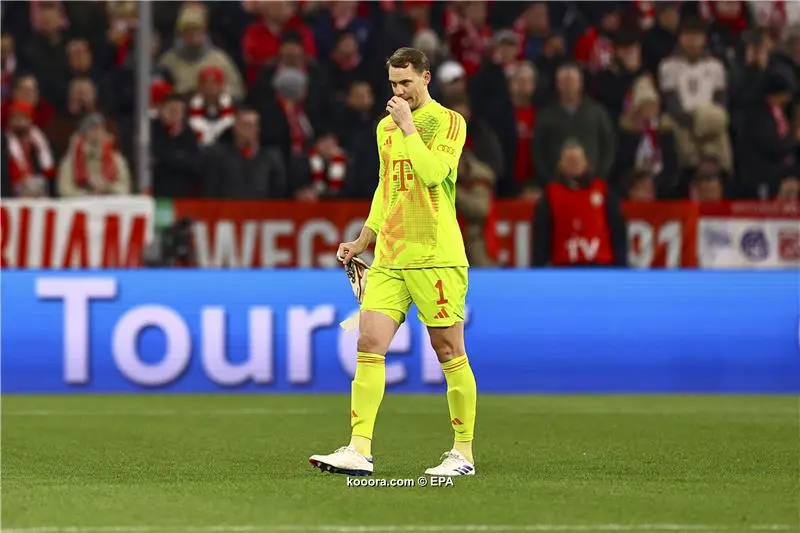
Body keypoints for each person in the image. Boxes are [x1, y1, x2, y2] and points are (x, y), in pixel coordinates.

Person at [308, 47, 477, 477]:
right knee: (369, 343)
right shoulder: (384, 127)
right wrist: (365, 235)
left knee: (448, 349)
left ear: (426, 78)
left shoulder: (449, 122)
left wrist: (408, 128)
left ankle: (462, 453)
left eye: (406, 82)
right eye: (393, 84)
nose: (399, 91)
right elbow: (388, 186)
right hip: (390, 257)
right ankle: (358, 448)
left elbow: (433, 173)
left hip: (436, 256)